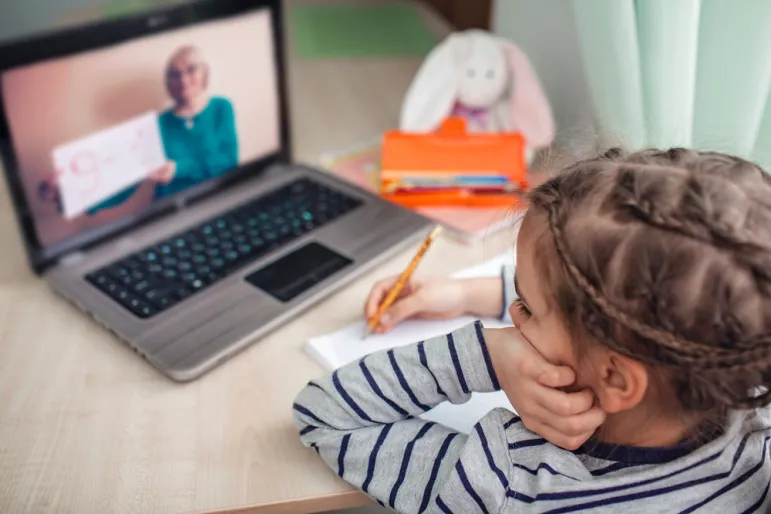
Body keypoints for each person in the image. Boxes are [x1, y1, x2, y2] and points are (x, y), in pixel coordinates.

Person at [292, 148, 771, 513]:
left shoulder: (509, 481)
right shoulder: (752, 427)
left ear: (617, 380)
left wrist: (486, 354)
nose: (513, 316)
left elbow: (325, 415)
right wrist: (468, 295)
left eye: (526, 306)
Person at [41, 45, 239, 216]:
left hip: (217, 204)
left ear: (204, 73)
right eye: (174, 74)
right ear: (168, 83)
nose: (183, 79)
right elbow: (126, 181)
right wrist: (73, 195)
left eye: (191, 70)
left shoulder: (221, 107)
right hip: (169, 214)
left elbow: (229, 160)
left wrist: (178, 169)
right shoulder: (156, 125)